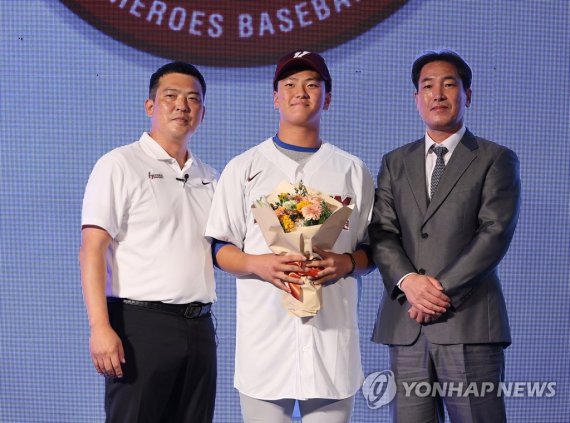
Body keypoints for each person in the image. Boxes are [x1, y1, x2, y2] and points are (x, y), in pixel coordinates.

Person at [205, 51, 375, 423]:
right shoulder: (244, 167)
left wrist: (345, 263)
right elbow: (219, 248)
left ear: (327, 98)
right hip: (266, 343)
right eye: (290, 84)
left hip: (331, 339)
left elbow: (370, 252)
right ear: (275, 97)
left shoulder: (352, 170)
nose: (301, 92)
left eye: (313, 84)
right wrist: (258, 264)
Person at [368, 49, 521, 422]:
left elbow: (494, 233)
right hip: (406, 324)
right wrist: (409, 282)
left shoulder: (495, 158)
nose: (437, 94)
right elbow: (382, 231)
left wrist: (436, 292)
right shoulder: (394, 161)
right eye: (427, 86)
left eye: (449, 85)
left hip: (469, 322)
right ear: (416, 98)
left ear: (468, 95)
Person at [79, 62, 217, 422]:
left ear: (203, 113)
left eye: (193, 99)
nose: (182, 105)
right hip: (139, 326)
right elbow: (92, 248)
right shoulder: (119, 164)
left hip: (200, 328)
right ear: (150, 106)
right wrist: (99, 327)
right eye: (171, 96)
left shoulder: (210, 178)